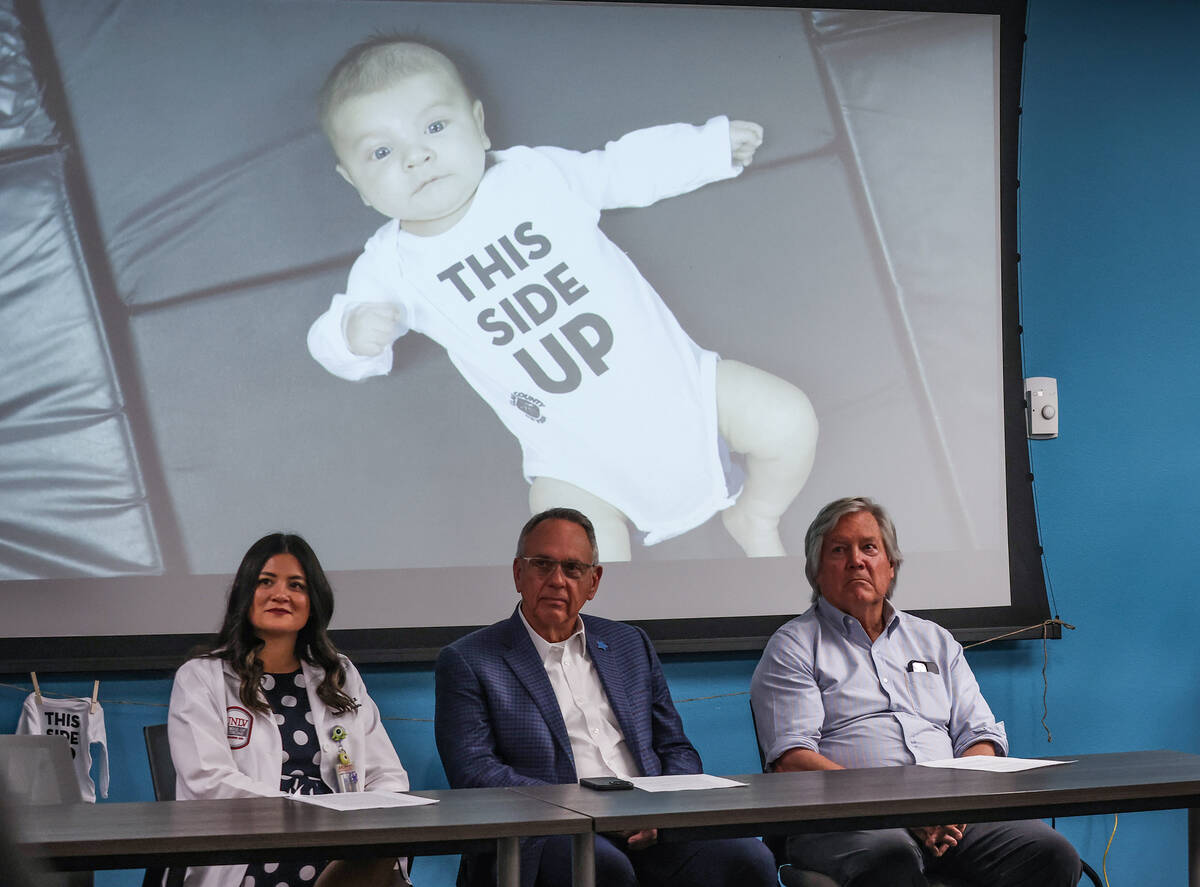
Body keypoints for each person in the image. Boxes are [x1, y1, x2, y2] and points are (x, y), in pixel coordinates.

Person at [307, 36, 817, 562]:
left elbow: (619, 169)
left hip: (684, 390)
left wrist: (705, 149)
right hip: (575, 461)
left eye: (435, 127)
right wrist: (351, 336)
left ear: (480, 127)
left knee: (788, 419)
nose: (418, 157)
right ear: (356, 183)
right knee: (567, 547)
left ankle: (756, 514)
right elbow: (330, 342)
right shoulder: (389, 265)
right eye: (382, 152)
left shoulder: (531, 176)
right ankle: (616, 635)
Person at [434, 507, 777, 887]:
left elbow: (676, 748)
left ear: (593, 582)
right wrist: (592, 810)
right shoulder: (469, 659)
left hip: (650, 823)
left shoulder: (629, 644)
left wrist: (661, 811)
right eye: (542, 565)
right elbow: (476, 773)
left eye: (572, 569)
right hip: (546, 831)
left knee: (749, 859)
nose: (557, 580)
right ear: (518, 573)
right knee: (603, 868)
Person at [750, 497, 1082, 887]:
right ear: (816, 572)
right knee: (891, 859)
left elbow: (981, 737)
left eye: (869, 548)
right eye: (839, 550)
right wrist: (905, 811)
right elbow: (793, 761)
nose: (857, 560)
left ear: (891, 567)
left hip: (954, 814)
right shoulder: (794, 646)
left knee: (1050, 854)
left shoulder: (934, 639)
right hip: (849, 820)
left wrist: (955, 807)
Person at [168, 533, 410, 887]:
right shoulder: (201, 677)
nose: (281, 594)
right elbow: (210, 783)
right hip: (251, 850)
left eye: (296, 585)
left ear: (312, 602)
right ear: (244, 593)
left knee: (379, 854)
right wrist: (310, 816)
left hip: (341, 848)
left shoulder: (339, 675)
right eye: (266, 582)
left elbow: (386, 775)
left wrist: (369, 821)